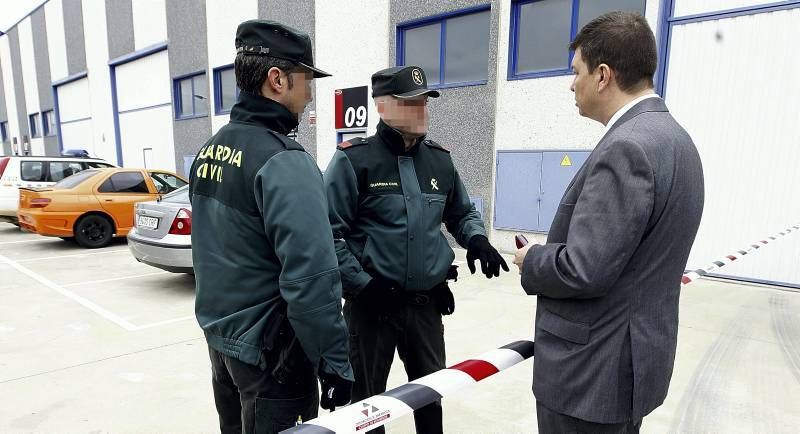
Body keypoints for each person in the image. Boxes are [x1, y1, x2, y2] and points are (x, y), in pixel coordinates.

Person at [512, 12, 704, 434]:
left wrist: (534, 260)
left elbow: (585, 268)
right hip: (632, 367)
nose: (571, 83)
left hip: (591, 377)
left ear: (603, 75)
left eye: (576, 71)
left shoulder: (627, 148)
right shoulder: (678, 140)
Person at [324, 65, 508, 433]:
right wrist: (363, 285)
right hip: (372, 307)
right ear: (382, 106)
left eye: (424, 102)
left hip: (425, 306)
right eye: (411, 103)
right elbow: (328, 235)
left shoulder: (439, 159)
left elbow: (460, 212)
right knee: (367, 405)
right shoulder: (354, 160)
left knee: (430, 393)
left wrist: (476, 238)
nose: (422, 110)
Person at [189, 20, 353, 434]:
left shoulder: (211, 149)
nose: (311, 93)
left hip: (224, 347)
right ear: (277, 80)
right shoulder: (284, 161)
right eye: (306, 80)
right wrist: (334, 361)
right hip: (273, 359)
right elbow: (312, 278)